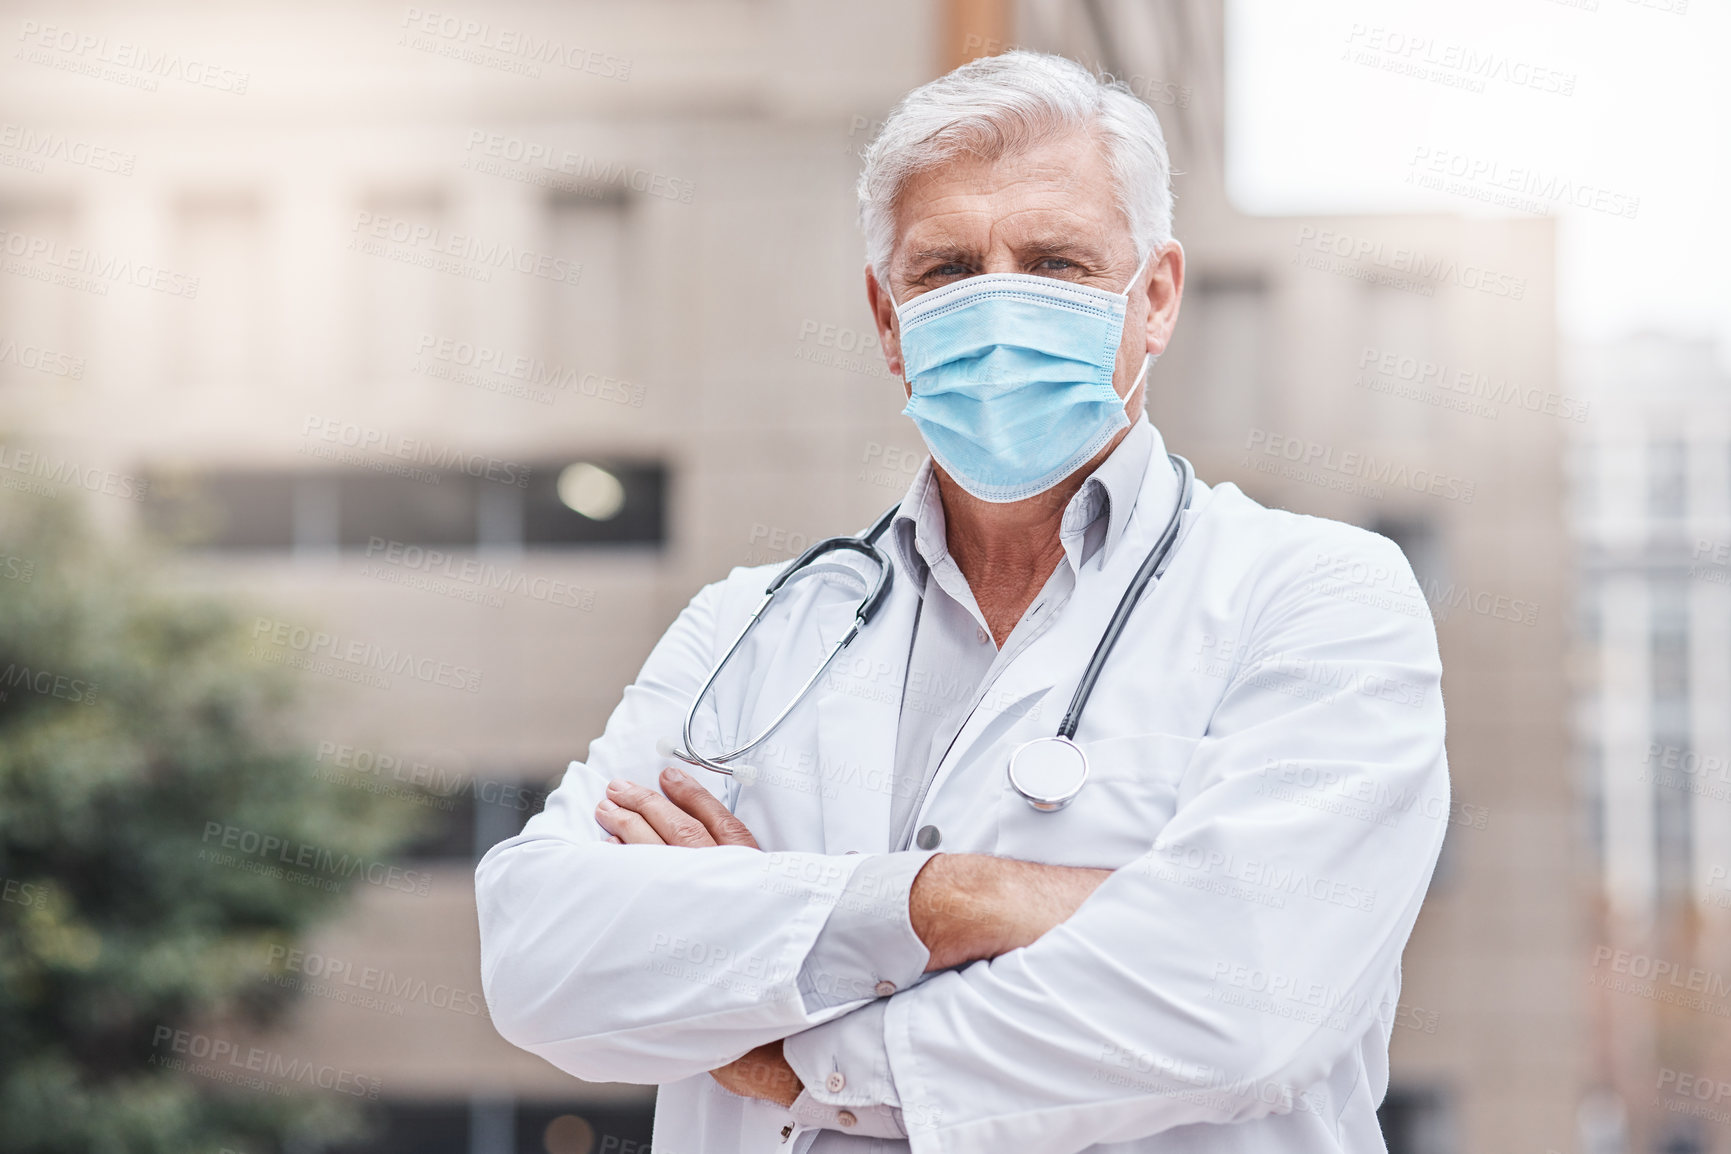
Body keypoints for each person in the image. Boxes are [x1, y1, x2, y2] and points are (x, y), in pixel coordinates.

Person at [476, 49, 1448, 1154]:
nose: (998, 304)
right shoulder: (748, 627)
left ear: (1157, 297)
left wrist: (795, 1043)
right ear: (888, 319)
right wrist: (954, 900)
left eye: (1055, 262)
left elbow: (1241, 1000)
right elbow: (539, 951)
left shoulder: (1318, 598)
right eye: (945, 270)